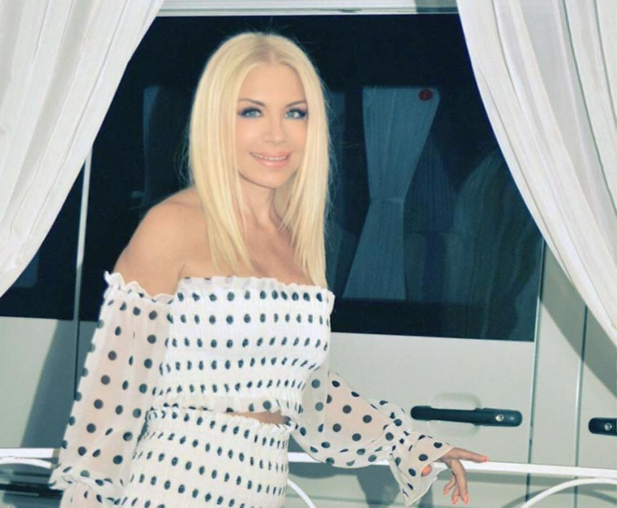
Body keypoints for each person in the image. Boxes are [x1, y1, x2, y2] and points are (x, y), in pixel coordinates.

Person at [48, 31, 489, 508]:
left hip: (262, 489)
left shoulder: (299, 241)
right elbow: (111, 399)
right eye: (251, 112)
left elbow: (311, 398)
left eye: (295, 113)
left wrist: (408, 442)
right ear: (217, 120)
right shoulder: (172, 225)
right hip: (172, 485)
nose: (277, 134)